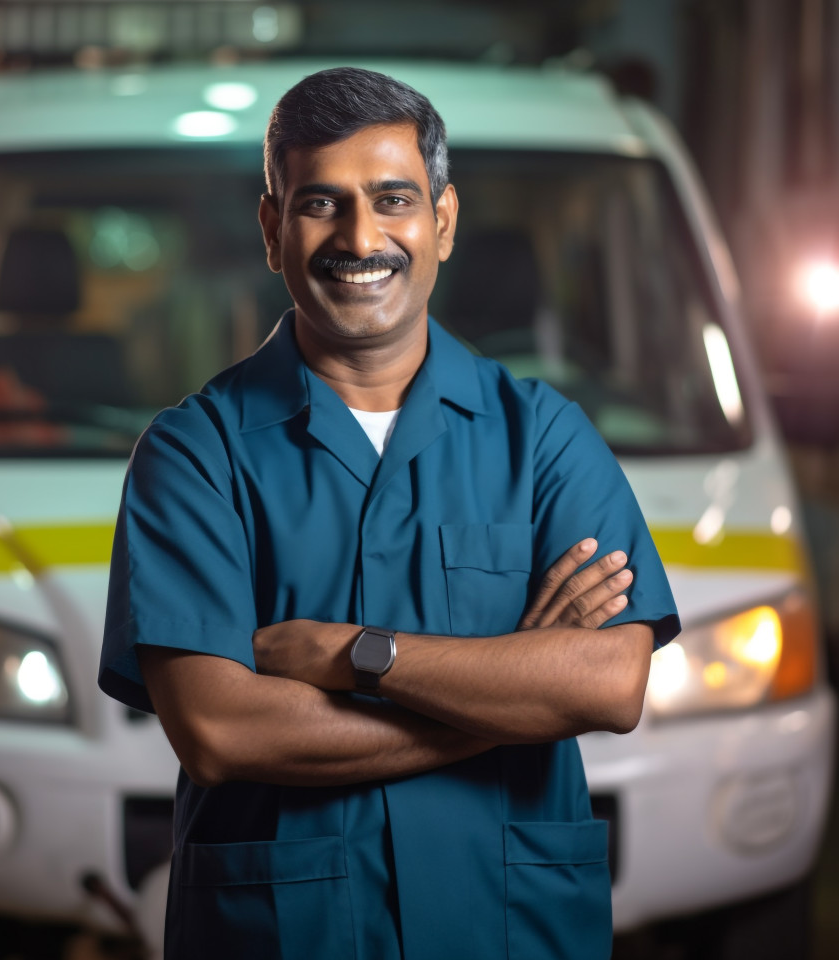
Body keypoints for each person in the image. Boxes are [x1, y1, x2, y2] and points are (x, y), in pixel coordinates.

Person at [99, 66, 680, 960]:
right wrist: (512, 694)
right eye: (321, 203)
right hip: (284, 934)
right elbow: (221, 730)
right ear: (271, 230)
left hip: (511, 930)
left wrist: (348, 654)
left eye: (393, 199)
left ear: (442, 221)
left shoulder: (547, 438)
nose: (360, 236)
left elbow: (607, 684)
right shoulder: (193, 455)